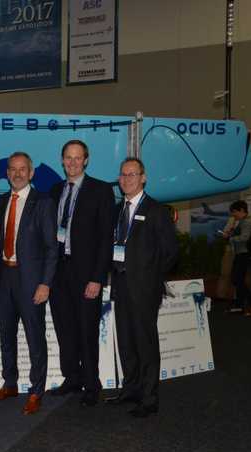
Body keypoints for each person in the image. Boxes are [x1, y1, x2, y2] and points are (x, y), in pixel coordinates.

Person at [105, 158, 178, 418]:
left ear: (143, 177)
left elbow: (170, 252)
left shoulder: (156, 210)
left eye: (132, 174)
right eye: (123, 175)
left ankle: (149, 398)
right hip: (120, 286)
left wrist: (150, 279)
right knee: (125, 341)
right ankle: (131, 389)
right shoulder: (117, 209)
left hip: (144, 290)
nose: (126, 179)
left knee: (145, 344)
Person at [0, 152, 57, 415]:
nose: (17, 174)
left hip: (31, 281)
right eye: (12, 169)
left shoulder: (43, 203)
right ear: (7, 173)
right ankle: (10, 383)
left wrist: (45, 284)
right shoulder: (0, 202)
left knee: (34, 337)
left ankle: (36, 390)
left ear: (31, 173)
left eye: (22, 169)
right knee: (6, 335)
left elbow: (52, 248)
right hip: (4, 278)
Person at [48, 140, 115, 406]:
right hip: (58, 273)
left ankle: (91, 384)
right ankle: (72, 378)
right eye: (68, 157)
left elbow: (105, 238)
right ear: (62, 160)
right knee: (65, 330)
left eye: (78, 158)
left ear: (86, 160)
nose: (72, 162)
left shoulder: (101, 190)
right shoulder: (54, 191)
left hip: (87, 274)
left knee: (87, 331)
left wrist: (98, 277)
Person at [224, 200, 251, 316]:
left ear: (241, 210)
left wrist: (230, 238)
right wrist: (231, 235)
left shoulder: (247, 222)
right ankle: (239, 306)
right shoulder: (244, 221)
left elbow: (244, 238)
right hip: (241, 253)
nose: (233, 215)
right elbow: (241, 236)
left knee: (237, 279)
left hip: (244, 254)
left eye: (234, 212)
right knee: (237, 279)